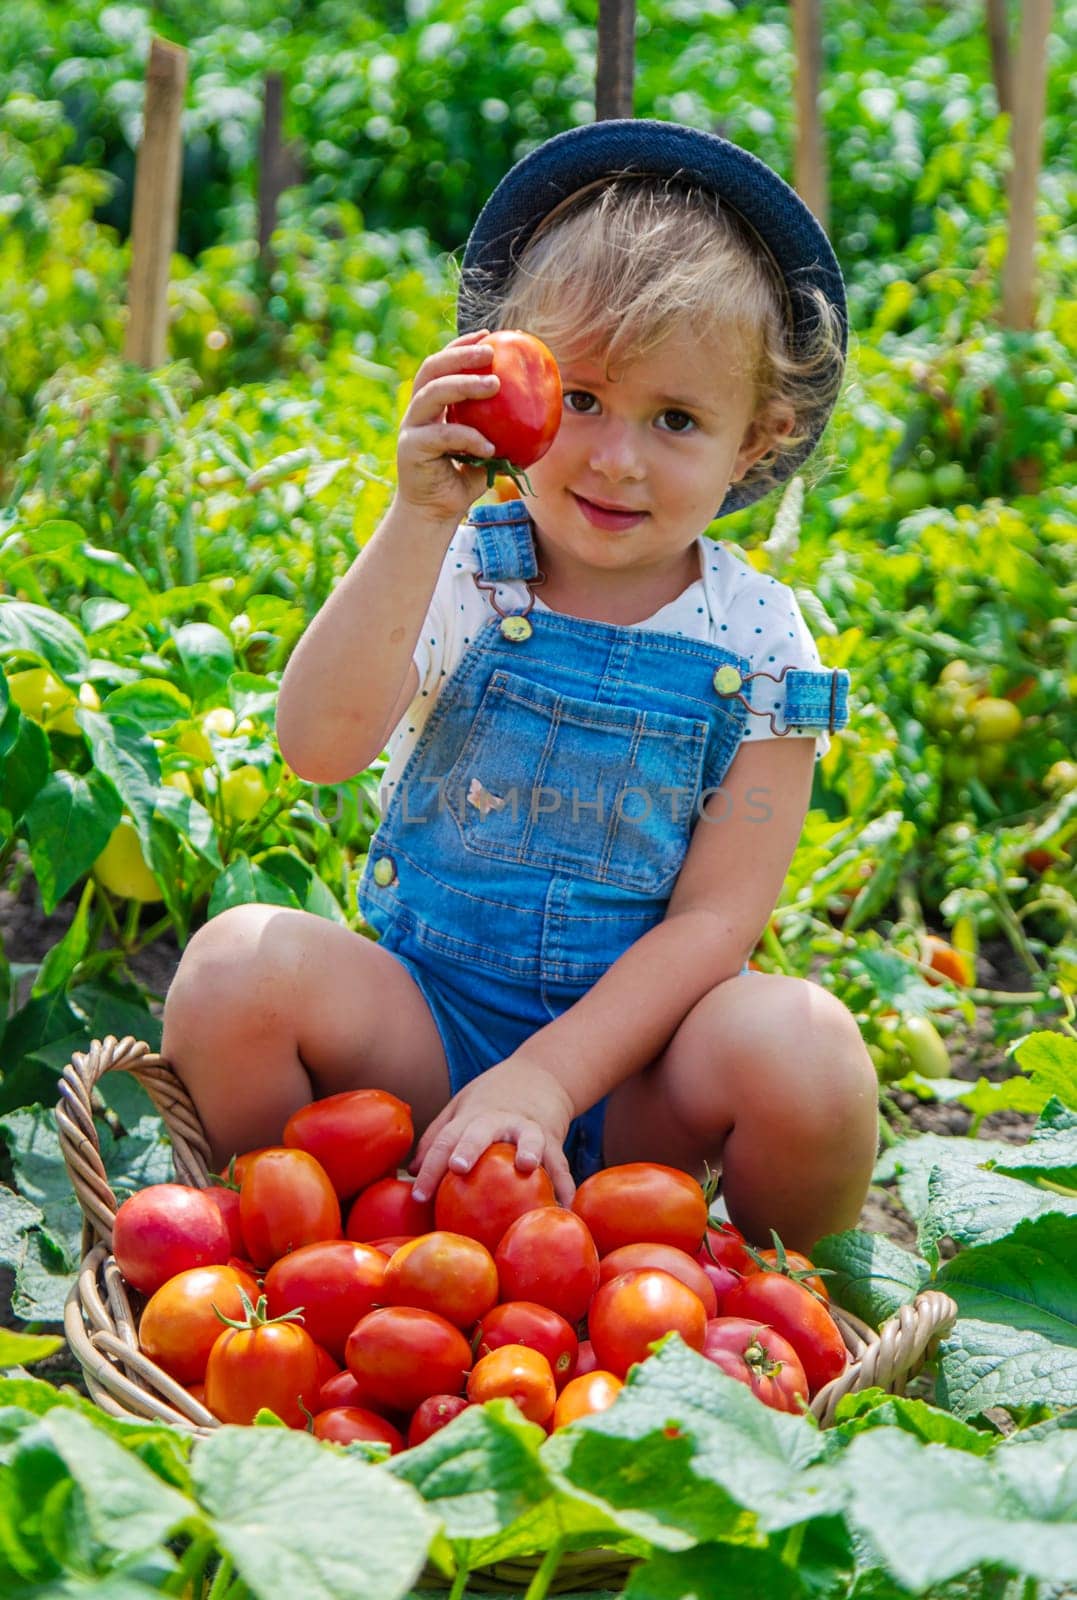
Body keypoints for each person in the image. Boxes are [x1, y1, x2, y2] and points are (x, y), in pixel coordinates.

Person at [162, 120, 878, 1252]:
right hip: (425, 1039)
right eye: (580, 397)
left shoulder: (763, 636)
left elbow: (716, 922)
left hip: (643, 1077)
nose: (615, 457)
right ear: (508, 378)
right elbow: (318, 743)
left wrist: (550, 1078)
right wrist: (416, 517)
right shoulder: (460, 569)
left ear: (758, 439)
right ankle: (313, 1258)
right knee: (229, 976)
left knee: (808, 1052)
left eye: (677, 419)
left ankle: (768, 1296)